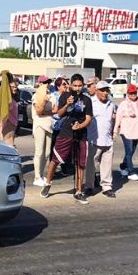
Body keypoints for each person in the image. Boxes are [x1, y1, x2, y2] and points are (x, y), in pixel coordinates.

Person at [41, 73, 93, 205]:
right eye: (75, 85)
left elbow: (88, 118)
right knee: (55, 160)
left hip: (81, 135)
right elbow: (58, 113)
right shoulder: (65, 96)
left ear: (83, 85)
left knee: (80, 163)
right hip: (65, 133)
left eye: (79, 86)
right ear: (70, 85)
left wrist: (80, 125)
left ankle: (79, 191)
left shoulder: (87, 100)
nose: (77, 88)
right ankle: (47, 183)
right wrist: (66, 105)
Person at [84, 80, 117, 198]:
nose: (105, 93)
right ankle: (89, 186)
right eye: (102, 90)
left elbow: (113, 120)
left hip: (108, 140)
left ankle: (107, 187)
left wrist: (114, 132)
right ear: (97, 91)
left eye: (106, 90)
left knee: (107, 166)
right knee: (91, 165)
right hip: (94, 140)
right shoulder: (91, 103)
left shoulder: (111, 104)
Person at [114, 84, 138, 181]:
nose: (133, 95)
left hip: (136, 130)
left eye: (134, 93)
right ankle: (131, 171)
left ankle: (123, 166)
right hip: (126, 131)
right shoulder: (123, 104)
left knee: (132, 151)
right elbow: (118, 117)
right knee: (128, 151)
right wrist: (115, 131)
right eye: (131, 93)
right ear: (128, 93)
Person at [31, 75, 54, 187]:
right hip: (39, 125)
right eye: (44, 82)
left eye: (48, 82)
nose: (46, 84)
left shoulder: (51, 95)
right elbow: (39, 111)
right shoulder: (36, 96)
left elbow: (55, 110)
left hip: (49, 125)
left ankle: (41, 174)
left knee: (47, 153)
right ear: (39, 84)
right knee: (39, 152)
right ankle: (37, 177)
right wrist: (45, 103)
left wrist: (47, 112)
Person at [0, 72, 19, 147]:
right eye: (12, 87)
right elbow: (4, 113)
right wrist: (1, 125)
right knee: (9, 145)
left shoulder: (11, 99)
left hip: (12, 123)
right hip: (8, 123)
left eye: (15, 87)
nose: (15, 88)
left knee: (8, 144)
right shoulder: (8, 100)